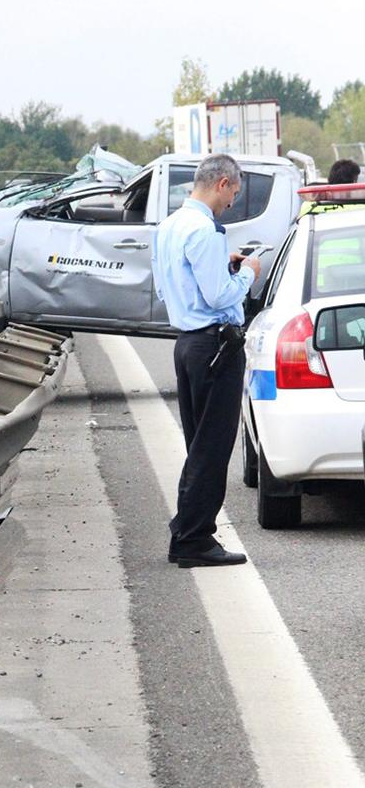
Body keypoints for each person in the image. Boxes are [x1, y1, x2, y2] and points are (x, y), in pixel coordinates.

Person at [151, 154, 261, 567]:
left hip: (187, 344)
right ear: (221, 183)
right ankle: (194, 540)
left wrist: (224, 268)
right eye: (234, 192)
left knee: (198, 445)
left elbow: (167, 286)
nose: (233, 202)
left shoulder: (169, 227)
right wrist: (247, 272)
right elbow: (218, 297)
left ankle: (186, 530)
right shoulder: (207, 231)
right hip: (216, 346)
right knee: (213, 448)